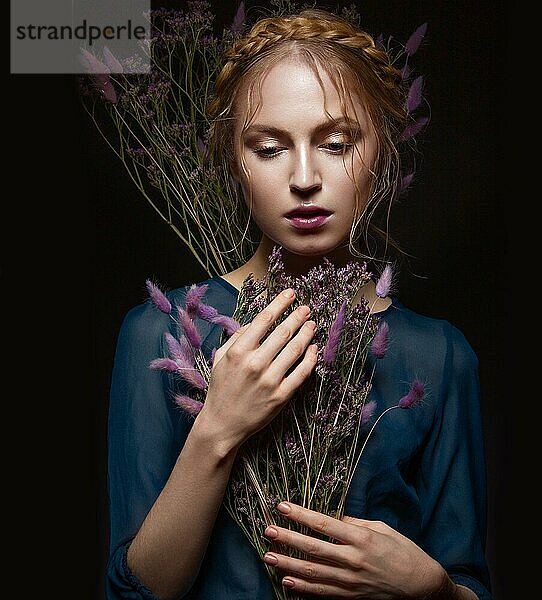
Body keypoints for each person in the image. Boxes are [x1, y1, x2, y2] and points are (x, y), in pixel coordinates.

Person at [105, 6, 493, 600]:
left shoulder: (437, 357)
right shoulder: (162, 334)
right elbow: (137, 592)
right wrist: (218, 427)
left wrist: (430, 587)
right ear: (234, 161)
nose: (305, 176)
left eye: (336, 144)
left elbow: (470, 584)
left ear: (379, 156)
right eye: (269, 148)